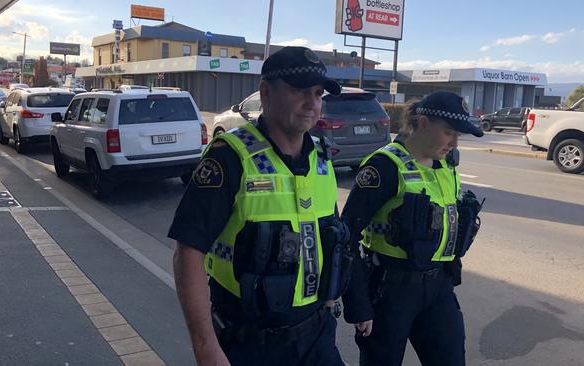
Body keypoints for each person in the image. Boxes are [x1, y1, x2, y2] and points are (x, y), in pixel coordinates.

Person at [169, 46, 349, 366]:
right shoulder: (229, 157)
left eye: (318, 93)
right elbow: (188, 253)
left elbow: (329, 232)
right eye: (299, 91)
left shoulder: (321, 156)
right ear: (265, 92)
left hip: (316, 336)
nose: (312, 103)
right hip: (249, 343)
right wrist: (206, 349)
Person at [342, 91, 485, 366]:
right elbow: (346, 236)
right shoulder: (383, 166)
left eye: (458, 135)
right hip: (390, 289)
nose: (455, 142)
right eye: (448, 132)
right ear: (421, 123)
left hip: (437, 286)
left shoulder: (447, 162)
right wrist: (359, 304)